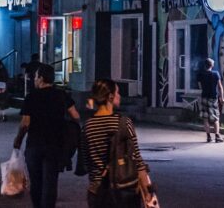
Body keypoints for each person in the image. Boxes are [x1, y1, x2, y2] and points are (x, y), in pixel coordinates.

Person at [13, 63, 80, 208]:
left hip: (35, 145)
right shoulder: (61, 95)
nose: (34, 79)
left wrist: (18, 140)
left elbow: (25, 123)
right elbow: (75, 115)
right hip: (55, 145)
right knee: (50, 183)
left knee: (36, 182)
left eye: (36, 77)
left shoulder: (32, 97)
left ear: (41, 78)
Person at [81, 78, 153, 208]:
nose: (119, 96)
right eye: (117, 93)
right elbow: (137, 159)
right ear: (110, 97)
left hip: (98, 191)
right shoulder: (124, 123)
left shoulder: (88, 126)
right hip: (124, 189)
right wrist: (147, 190)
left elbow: (87, 162)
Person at [197, 57, 224, 142]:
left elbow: (200, 86)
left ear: (205, 65)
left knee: (205, 118)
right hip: (213, 98)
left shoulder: (200, 74)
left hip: (204, 97)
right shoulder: (216, 74)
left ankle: (208, 137)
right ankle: (217, 136)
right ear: (211, 65)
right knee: (215, 118)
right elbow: (220, 87)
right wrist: (222, 98)